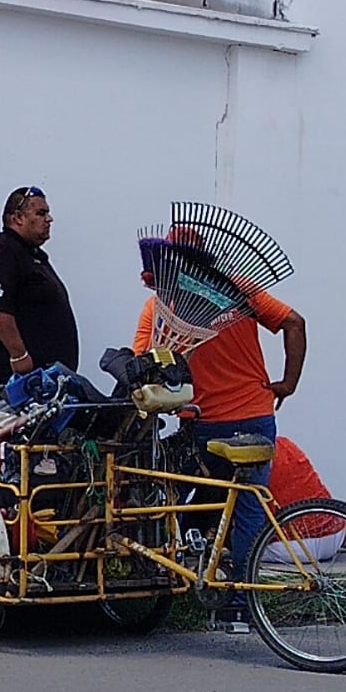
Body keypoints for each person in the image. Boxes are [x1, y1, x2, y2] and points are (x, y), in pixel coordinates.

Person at [132, 224, 305, 634]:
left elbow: (141, 367)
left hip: (204, 427)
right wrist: (288, 383)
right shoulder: (239, 288)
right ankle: (241, 607)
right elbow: (294, 323)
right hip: (257, 418)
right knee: (246, 508)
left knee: (174, 497)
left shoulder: (160, 308)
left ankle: (200, 563)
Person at [0, 186, 80, 406]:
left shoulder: (31, 256)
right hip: (13, 376)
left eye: (47, 213)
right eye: (41, 213)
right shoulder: (3, 252)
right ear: (17, 217)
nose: (49, 219)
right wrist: (19, 355)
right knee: (18, 437)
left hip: (42, 378)